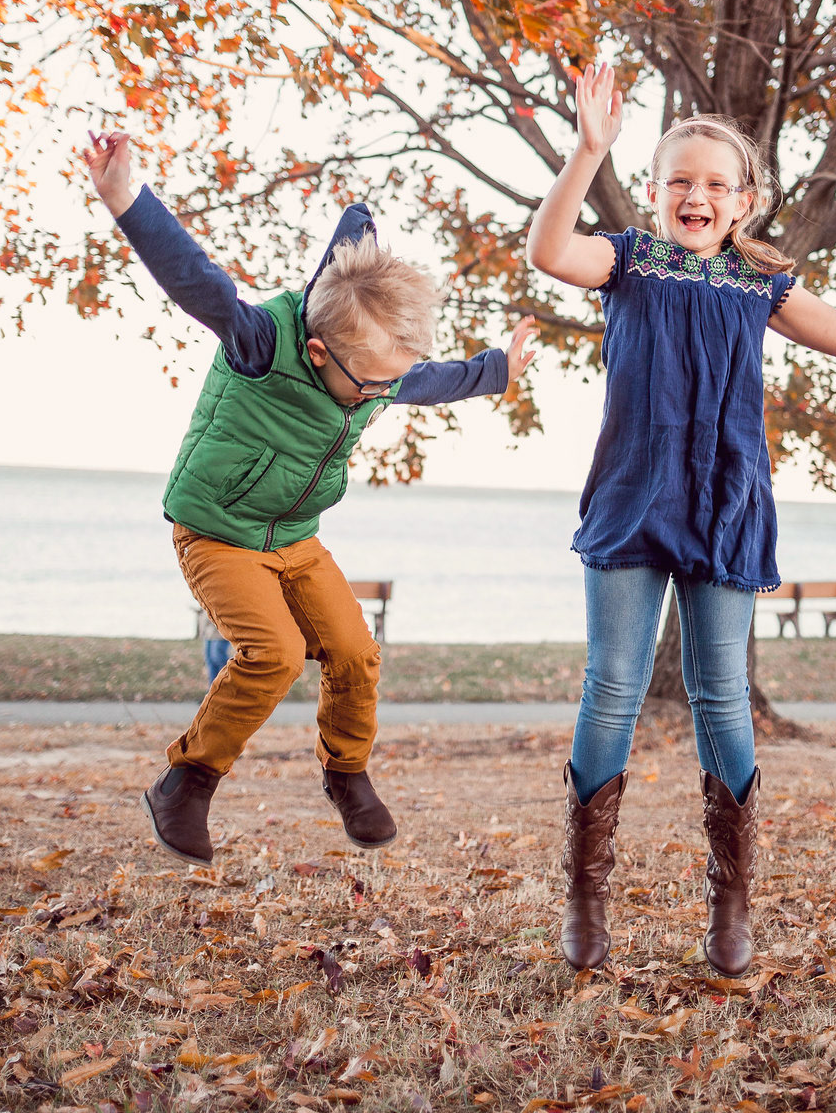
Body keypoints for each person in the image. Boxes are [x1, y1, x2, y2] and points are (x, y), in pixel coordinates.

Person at [526, 63, 836, 977]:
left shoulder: (759, 283)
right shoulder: (627, 261)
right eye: (678, 181)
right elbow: (549, 251)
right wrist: (588, 150)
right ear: (654, 191)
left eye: (716, 185)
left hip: (724, 503)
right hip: (631, 499)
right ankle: (585, 899)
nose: (696, 196)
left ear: (745, 202)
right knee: (612, 687)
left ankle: (730, 908)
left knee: (720, 694)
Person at [84, 130, 535, 866]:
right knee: (274, 653)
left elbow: (434, 381)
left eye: (392, 382)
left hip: (294, 537)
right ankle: (186, 782)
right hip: (218, 531)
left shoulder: (376, 371)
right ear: (321, 352)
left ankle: (346, 771)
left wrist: (497, 370)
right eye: (373, 385)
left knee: (355, 651)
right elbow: (195, 278)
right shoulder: (260, 342)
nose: (384, 395)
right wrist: (125, 198)